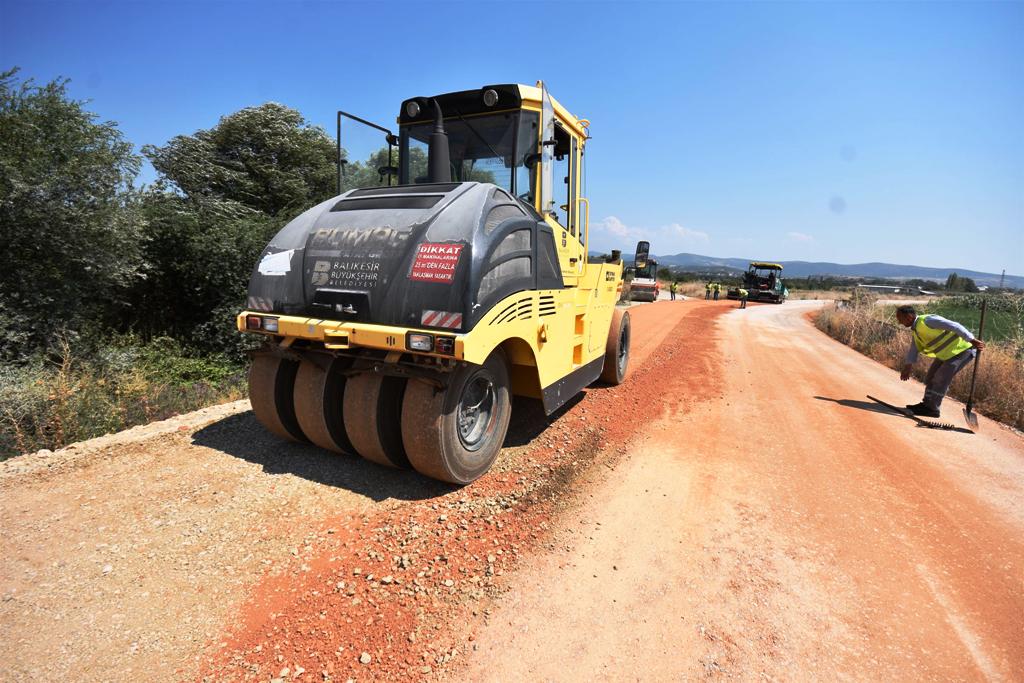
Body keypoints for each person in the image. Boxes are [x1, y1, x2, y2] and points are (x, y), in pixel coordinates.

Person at [895, 305, 985, 417]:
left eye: (900, 319)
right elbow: (914, 348)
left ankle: (933, 409)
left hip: (961, 350)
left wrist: (972, 339)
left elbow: (954, 326)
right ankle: (926, 405)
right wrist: (908, 366)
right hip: (946, 354)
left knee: (941, 378)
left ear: (908, 317)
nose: (899, 322)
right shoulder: (916, 330)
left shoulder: (928, 320)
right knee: (931, 377)